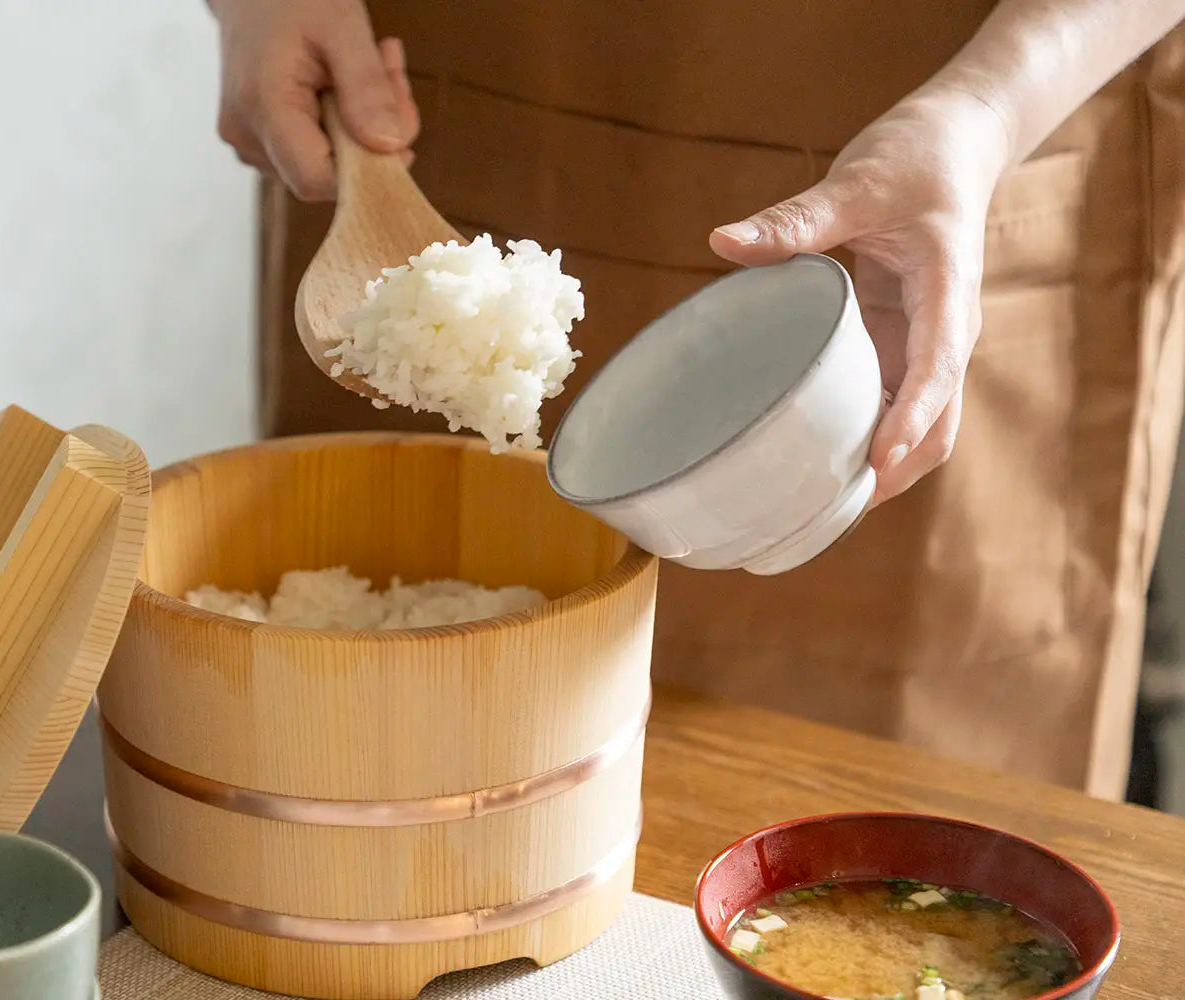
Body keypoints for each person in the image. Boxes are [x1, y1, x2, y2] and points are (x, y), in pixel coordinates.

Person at [208, 0, 1185, 800]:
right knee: (358, 760)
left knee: (900, 849)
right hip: (443, 95)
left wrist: (989, 112)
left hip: (986, 110)